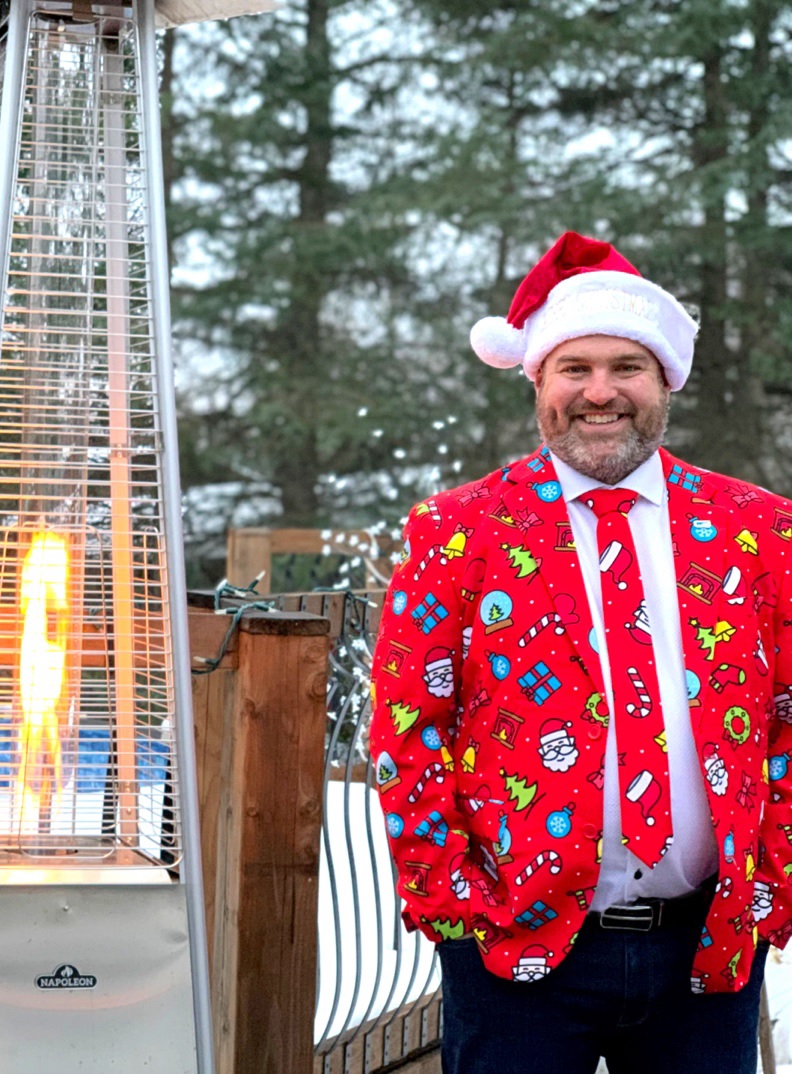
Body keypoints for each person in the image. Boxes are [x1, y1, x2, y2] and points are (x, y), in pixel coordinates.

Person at [370, 231, 792, 1074]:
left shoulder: (760, 531)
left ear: (665, 379)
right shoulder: (458, 533)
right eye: (575, 368)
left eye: (626, 367)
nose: (601, 392)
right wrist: (454, 907)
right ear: (539, 381)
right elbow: (408, 729)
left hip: (705, 952)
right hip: (516, 953)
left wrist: (773, 878)